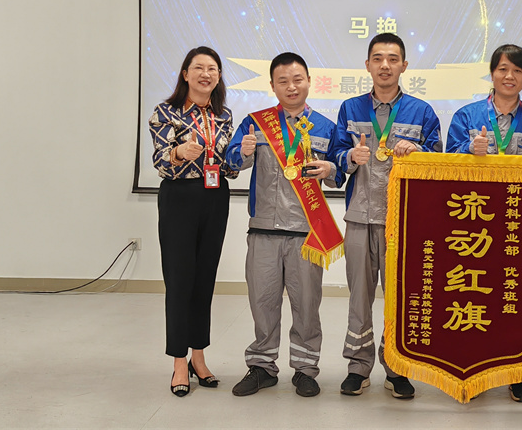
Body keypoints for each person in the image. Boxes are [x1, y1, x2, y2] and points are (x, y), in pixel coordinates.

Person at [225, 52, 343, 398]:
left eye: (297, 79)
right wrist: (245, 151)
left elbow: (338, 173)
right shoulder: (255, 123)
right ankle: (262, 366)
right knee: (262, 301)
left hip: (306, 233)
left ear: (309, 81)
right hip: (263, 229)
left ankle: (305, 370)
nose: (291, 86)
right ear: (273, 85)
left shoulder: (325, 126)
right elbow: (231, 163)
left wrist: (331, 169)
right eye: (283, 81)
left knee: (306, 304)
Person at [446, 43, 522, 403]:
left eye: (518, 71)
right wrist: (469, 151)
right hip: (472, 223)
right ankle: (473, 368)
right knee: (473, 295)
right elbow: (445, 164)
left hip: (516, 225)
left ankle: (518, 372)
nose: (510, 76)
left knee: (514, 297)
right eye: (503, 69)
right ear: (492, 73)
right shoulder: (466, 115)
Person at [333, 34, 442, 399]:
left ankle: (397, 367)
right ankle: (357, 366)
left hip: (403, 223)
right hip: (359, 217)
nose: (385, 65)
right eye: (377, 58)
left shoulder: (422, 112)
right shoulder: (350, 108)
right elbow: (334, 158)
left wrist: (419, 150)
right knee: (359, 296)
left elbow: (440, 163)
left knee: (401, 297)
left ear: (404, 66)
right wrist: (350, 157)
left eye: (393, 59)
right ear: (367, 65)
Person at [149, 46, 238, 397]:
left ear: (219, 76)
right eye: (198, 68)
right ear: (185, 74)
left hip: (215, 197)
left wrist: (242, 155)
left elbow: (229, 167)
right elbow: (160, 161)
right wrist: (177, 152)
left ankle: (199, 356)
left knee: (204, 279)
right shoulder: (165, 112)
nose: (206, 74)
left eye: (212, 68)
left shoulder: (224, 115)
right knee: (179, 280)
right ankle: (178, 361)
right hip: (179, 197)